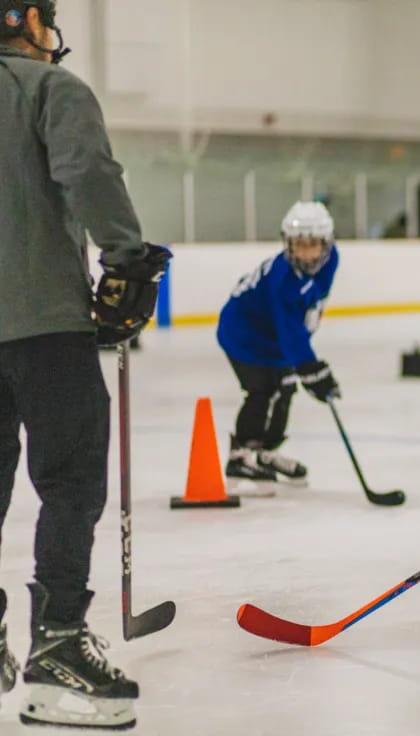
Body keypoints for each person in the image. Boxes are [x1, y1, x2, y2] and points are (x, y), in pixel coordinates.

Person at [0, 0, 170, 728]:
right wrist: (128, 260)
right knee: (70, 481)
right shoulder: (47, 87)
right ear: (30, 18)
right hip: (43, 323)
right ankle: (59, 646)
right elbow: (87, 170)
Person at [217, 201, 341, 489]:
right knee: (264, 389)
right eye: (299, 245)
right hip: (245, 335)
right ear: (287, 243)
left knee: (284, 389)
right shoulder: (281, 279)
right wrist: (310, 367)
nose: (306, 253)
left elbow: (307, 307)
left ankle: (265, 451)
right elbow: (289, 330)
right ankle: (243, 455)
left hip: (271, 335)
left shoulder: (332, 259)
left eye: (313, 245)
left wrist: (309, 369)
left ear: (326, 243)